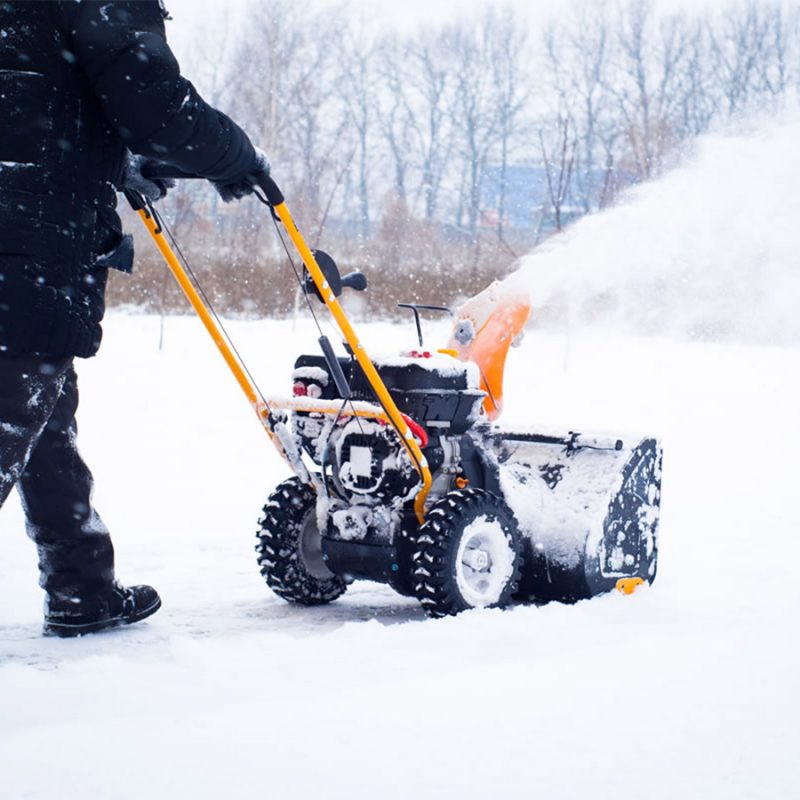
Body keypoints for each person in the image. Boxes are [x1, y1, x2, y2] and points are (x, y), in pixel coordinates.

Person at [0, 1, 270, 637]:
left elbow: (31, 96)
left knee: (45, 413)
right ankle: (79, 585)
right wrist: (234, 154)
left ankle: (81, 586)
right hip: (26, 240)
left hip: (18, 222)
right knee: (14, 406)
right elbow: (154, 106)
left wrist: (116, 162)